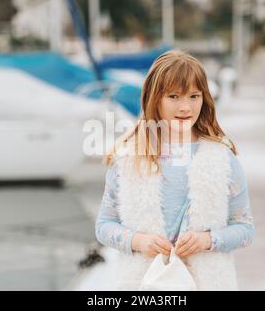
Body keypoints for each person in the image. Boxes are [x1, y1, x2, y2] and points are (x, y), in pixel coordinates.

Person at [95, 49, 255, 290]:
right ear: (154, 98)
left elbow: (245, 228)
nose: (185, 107)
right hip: (144, 284)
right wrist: (140, 241)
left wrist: (207, 240)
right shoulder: (128, 158)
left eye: (194, 96)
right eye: (173, 96)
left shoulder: (222, 157)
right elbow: (104, 225)